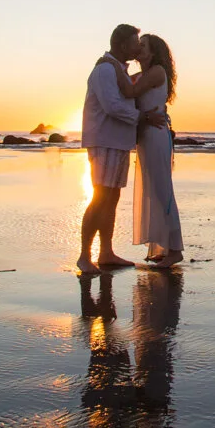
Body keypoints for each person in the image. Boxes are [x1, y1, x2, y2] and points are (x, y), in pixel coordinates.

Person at [77, 24, 166, 275]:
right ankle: (84, 256)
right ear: (123, 45)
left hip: (117, 142)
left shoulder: (117, 69)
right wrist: (144, 117)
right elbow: (113, 106)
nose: (138, 47)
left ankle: (106, 252)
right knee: (100, 197)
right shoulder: (105, 69)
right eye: (136, 42)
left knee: (112, 198)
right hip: (105, 141)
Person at [102, 34, 184, 269]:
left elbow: (128, 92)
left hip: (156, 134)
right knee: (152, 191)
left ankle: (175, 249)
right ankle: (162, 247)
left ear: (153, 52)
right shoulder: (142, 75)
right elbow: (126, 86)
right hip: (146, 135)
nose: (138, 48)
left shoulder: (157, 71)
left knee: (162, 191)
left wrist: (111, 65)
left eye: (143, 46)